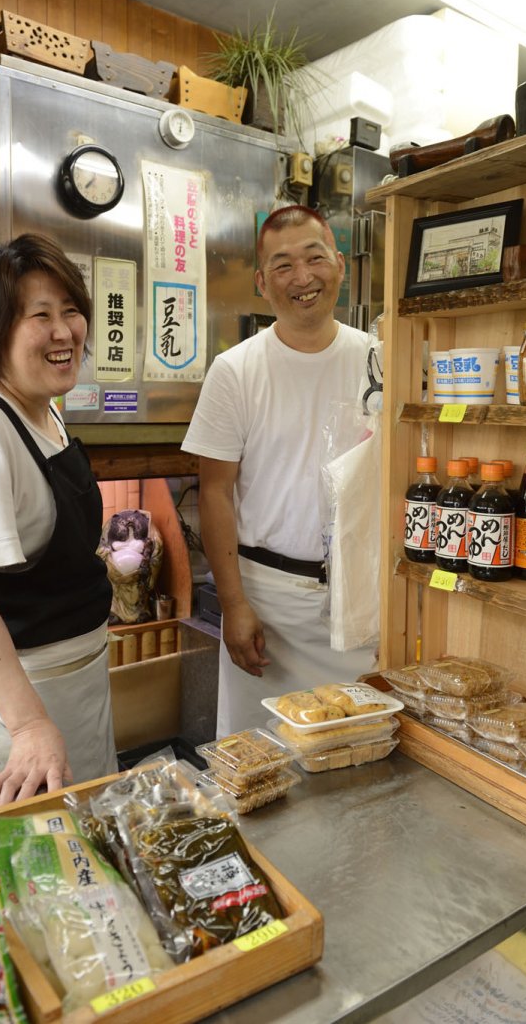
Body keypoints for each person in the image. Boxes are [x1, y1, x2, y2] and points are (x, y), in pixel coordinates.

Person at [0, 234, 117, 805]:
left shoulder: (43, 411)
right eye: (41, 316)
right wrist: (29, 726)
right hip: (27, 703)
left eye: (71, 311)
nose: (65, 332)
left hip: (79, 686)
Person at [181, 205, 378, 734]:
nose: (302, 277)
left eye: (315, 258)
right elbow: (215, 493)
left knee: (355, 748)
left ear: (340, 264)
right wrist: (233, 605)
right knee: (261, 758)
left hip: (360, 601)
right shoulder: (235, 370)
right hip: (267, 602)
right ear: (261, 283)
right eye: (283, 265)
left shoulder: (379, 359)